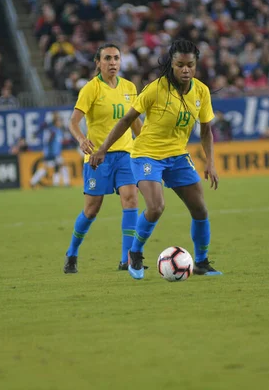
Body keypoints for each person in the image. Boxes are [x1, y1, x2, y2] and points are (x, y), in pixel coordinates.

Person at [90, 39, 221, 280]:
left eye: (190, 65)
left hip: (178, 156)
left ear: (195, 65)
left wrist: (210, 163)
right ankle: (135, 254)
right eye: (180, 65)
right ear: (171, 64)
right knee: (156, 206)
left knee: (200, 209)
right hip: (146, 154)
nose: (185, 70)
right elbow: (126, 120)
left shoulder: (201, 91)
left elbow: (205, 131)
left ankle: (201, 262)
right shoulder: (155, 89)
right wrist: (102, 150)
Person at [64, 43, 143, 273]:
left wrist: (148, 144)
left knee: (131, 199)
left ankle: (126, 258)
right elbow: (73, 122)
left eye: (116, 58)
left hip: (126, 154)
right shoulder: (91, 89)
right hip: (99, 157)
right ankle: (72, 252)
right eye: (107, 58)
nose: (113, 63)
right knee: (91, 210)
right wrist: (81, 140)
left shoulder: (129, 87)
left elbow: (135, 122)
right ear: (98, 62)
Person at [29, 111, 70, 188]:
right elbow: (48, 142)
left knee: (56, 167)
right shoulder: (53, 131)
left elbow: (60, 142)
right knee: (52, 167)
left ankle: (58, 183)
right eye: (59, 121)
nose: (60, 123)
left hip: (55, 153)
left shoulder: (58, 131)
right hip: (51, 153)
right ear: (56, 122)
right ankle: (33, 181)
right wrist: (49, 153)